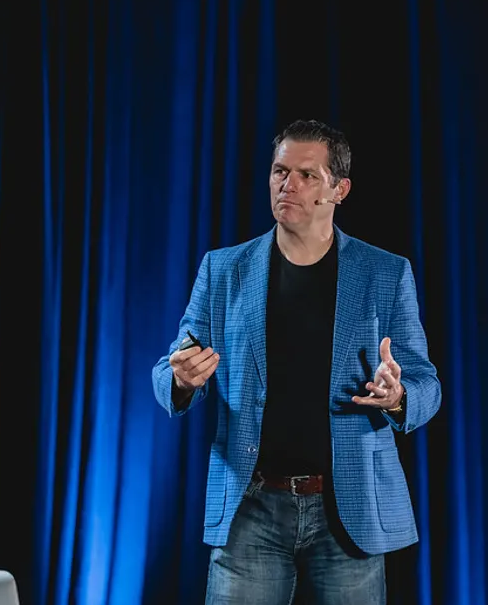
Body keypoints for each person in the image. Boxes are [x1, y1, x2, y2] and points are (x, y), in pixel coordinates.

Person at [151, 119, 442, 604]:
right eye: (279, 171)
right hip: (252, 505)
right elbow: (171, 368)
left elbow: (426, 385)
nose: (288, 184)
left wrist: (398, 396)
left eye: (307, 175)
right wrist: (182, 379)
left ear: (339, 189)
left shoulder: (385, 274)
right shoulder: (223, 270)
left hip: (346, 506)